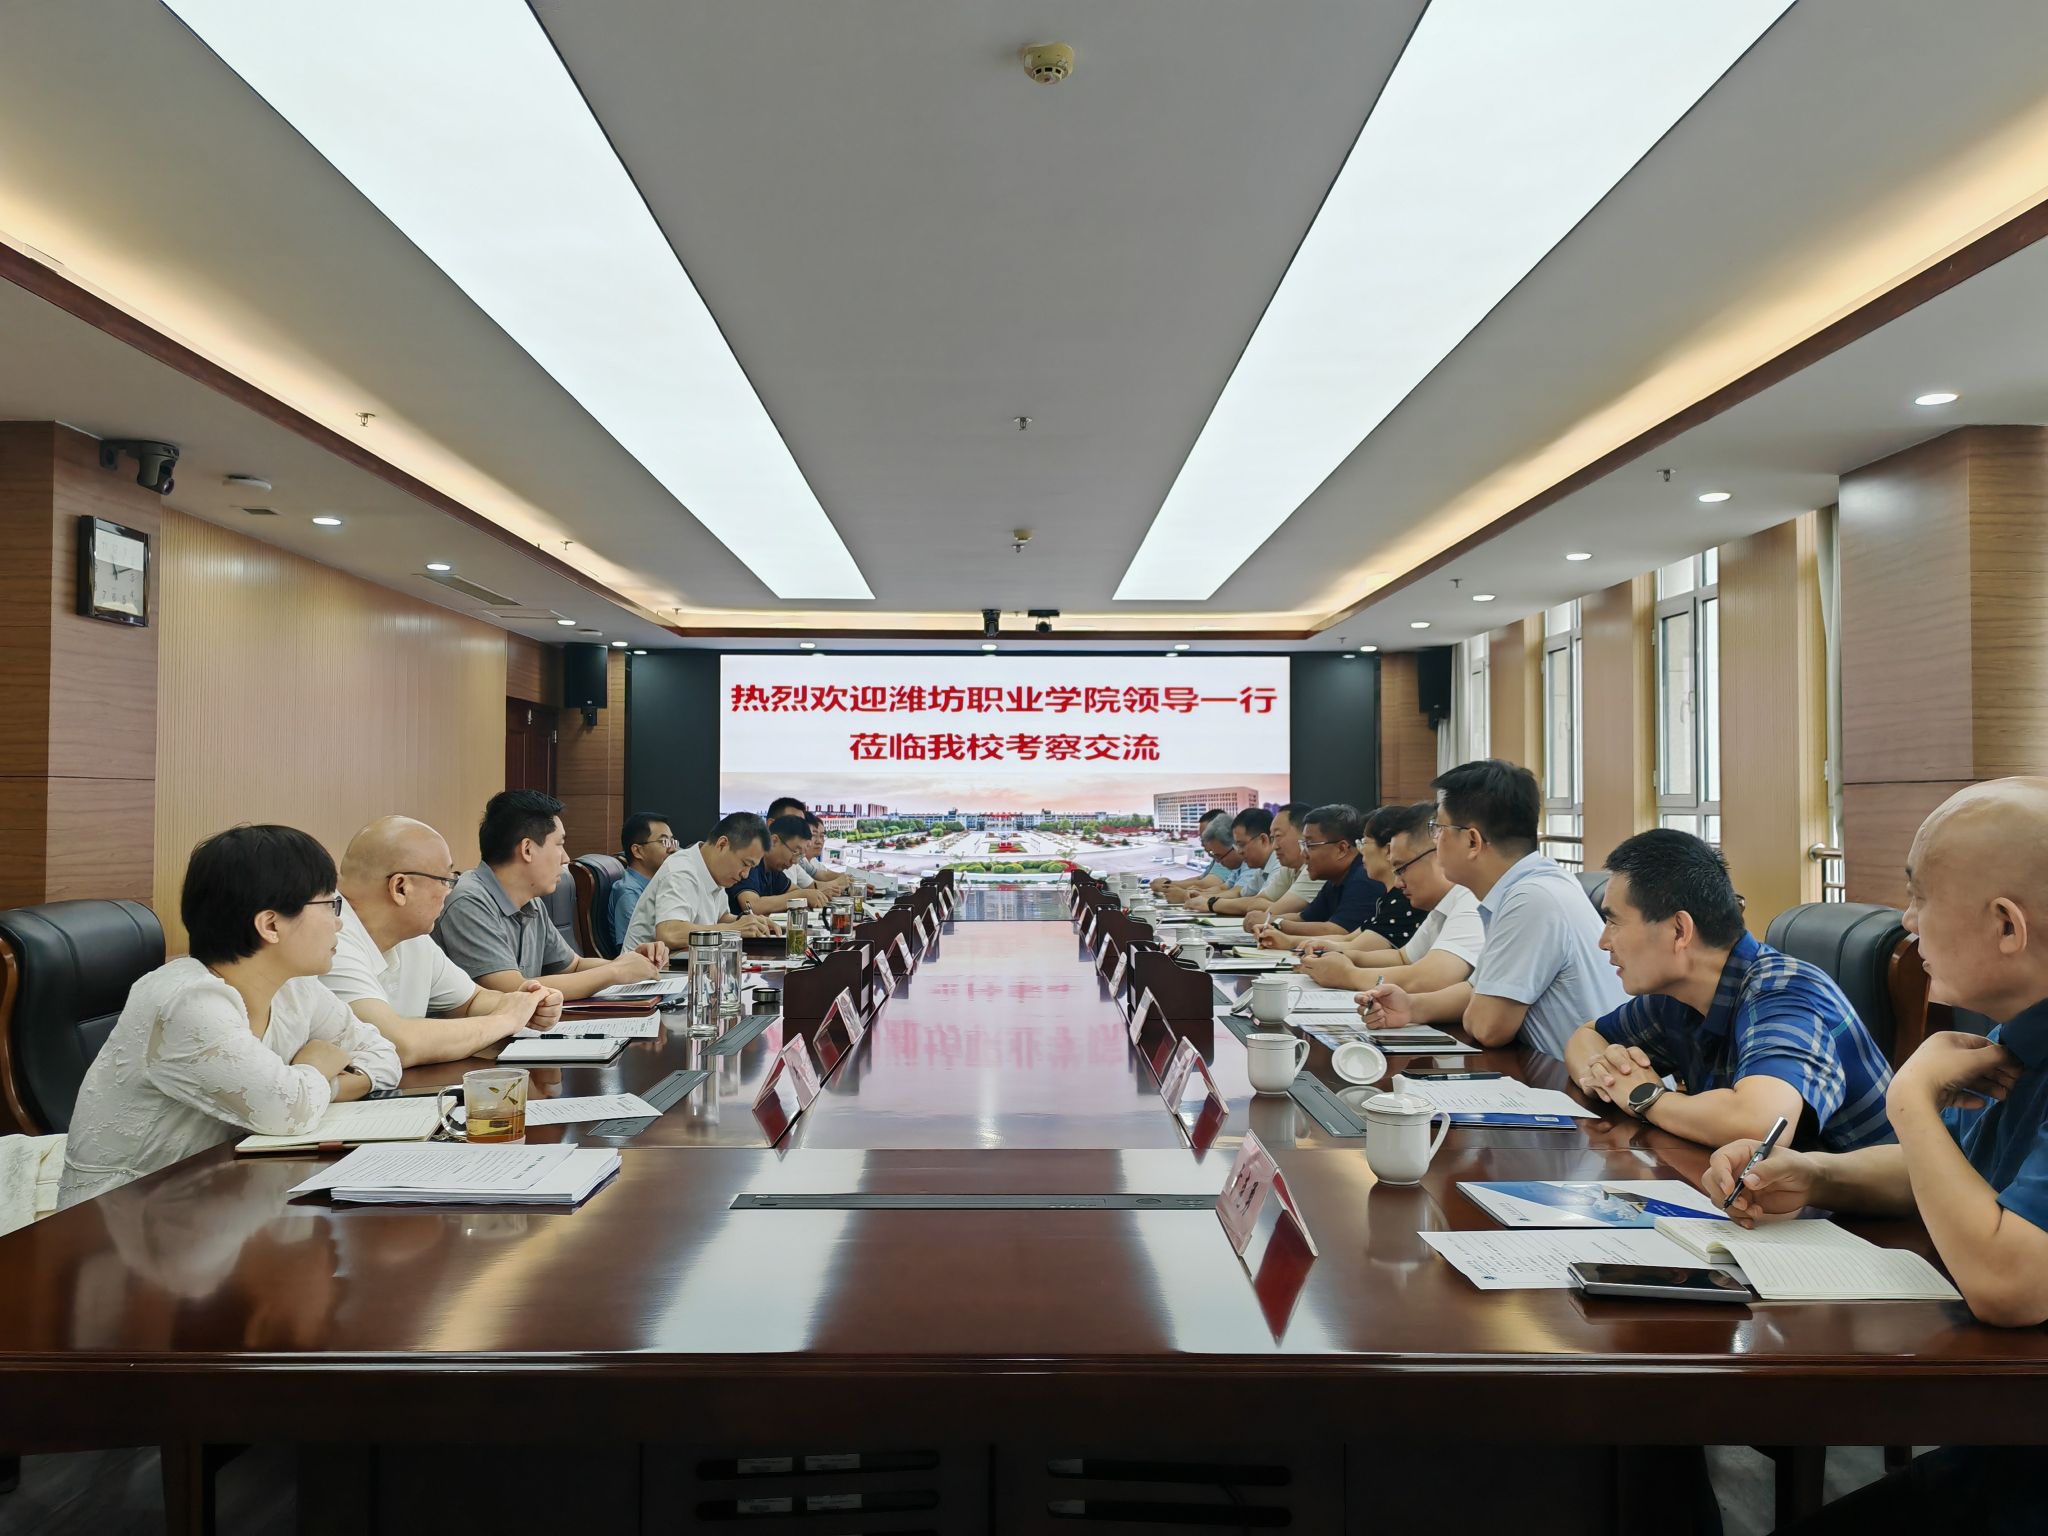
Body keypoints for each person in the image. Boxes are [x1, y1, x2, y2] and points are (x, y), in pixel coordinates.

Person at [1706, 779, 2048, 1533]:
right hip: (2009, 1440)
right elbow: (1955, 1173)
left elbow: (2014, 1286)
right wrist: (1813, 1173)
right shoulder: (2022, 1034)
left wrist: (1909, 1097)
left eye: (1920, 896)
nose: (1907, 922)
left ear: (2006, 925)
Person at [59, 825, 402, 1207]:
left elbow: (384, 1055)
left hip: (225, 1193)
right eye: (329, 905)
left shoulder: (295, 987)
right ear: (271, 925)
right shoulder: (187, 1001)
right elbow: (287, 1111)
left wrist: (322, 1085)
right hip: (123, 1215)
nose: (339, 923)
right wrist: (316, 1066)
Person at [1564, 829, 1894, 1151]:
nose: (1603, 942)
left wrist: (1645, 1097)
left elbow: (1763, 1125)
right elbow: (1587, 1036)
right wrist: (1604, 1074)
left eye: (1614, 922)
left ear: (1679, 931)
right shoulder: (1677, 995)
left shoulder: (1784, 993)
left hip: (1863, 1188)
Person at [1360, 760, 1623, 1055]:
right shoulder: (1525, 886)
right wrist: (1411, 1007)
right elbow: (1477, 989)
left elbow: (1488, 1027)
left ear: (1472, 841)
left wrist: (1477, 1009)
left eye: (1439, 829)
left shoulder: (1532, 899)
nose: (1435, 839)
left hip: (1576, 1079)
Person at [325, 816, 563, 1066]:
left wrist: (524, 1004)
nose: (449, 891)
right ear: (401, 888)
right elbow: (395, 1044)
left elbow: (471, 1001)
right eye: (446, 880)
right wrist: (505, 1020)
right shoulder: (330, 939)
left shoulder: (411, 935)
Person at [434, 790, 669, 1000]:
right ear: (527, 849)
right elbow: (511, 990)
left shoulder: (532, 902)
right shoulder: (469, 901)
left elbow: (573, 966)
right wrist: (615, 972)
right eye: (559, 844)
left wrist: (630, 963)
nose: (566, 858)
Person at [1296, 803, 1484, 997]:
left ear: (1438, 853)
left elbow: (1431, 977)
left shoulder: (1472, 900)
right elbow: (1403, 957)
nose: (1398, 882)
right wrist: (1340, 955)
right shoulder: (1443, 905)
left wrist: (1348, 975)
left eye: (1401, 868)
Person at [622, 811, 776, 950]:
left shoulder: (713, 870)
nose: (745, 875)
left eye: (751, 868)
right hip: (644, 970)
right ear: (722, 844)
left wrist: (751, 923)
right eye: (745, 864)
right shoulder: (681, 870)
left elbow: (720, 918)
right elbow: (670, 933)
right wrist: (736, 928)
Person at [1256, 803, 1385, 943]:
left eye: (1310, 845)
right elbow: (1304, 918)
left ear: (1341, 849)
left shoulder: (1364, 878)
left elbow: (1339, 930)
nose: (1303, 854)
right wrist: (1268, 920)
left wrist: (1275, 923)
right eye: (1303, 845)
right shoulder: (1334, 878)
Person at [1187, 809, 1281, 914]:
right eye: (1237, 846)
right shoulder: (1261, 868)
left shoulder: (1279, 865)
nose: (1239, 851)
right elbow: (1241, 894)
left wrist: (1211, 903)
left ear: (1263, 840)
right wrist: (1203, 897)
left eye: (1242, 845)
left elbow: (1258, 903)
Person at [610, 811, 676, 950]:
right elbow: (634, 948)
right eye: (664, 841)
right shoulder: (628, 892)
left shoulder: (661, 884)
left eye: (672, 841)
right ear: (637, 851)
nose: (672, 848)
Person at [731, 815, 814, 916]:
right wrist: (801, 895)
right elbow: (753, 906)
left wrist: (803, 895)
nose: (794, 861)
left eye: (800, 856)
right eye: (795, 852)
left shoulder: (774, 869)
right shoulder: (751, 864)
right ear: (774, 841)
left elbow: (794, 891)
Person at [1154, 813, 1241, 904]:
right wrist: (1199, 892)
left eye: (1207, 838)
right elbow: (1220, 887)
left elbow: (1208, 884)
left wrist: (1184, 895)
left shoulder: (1235, 860)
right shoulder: (1226, 859)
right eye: (1202, 838)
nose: (1203, 843)